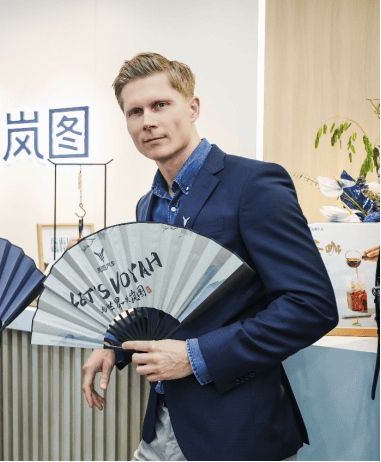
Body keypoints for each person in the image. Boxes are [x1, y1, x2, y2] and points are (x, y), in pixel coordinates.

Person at [81, 53, 338, 461]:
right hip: (162, 426)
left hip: (237, 431)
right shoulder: (148, 205)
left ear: (193, 107)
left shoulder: (253, 184)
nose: (148, 121)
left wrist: (195, 356)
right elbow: (160, 304)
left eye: (160, 105)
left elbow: (311, 306)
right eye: (135, 112)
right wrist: (114, 345)